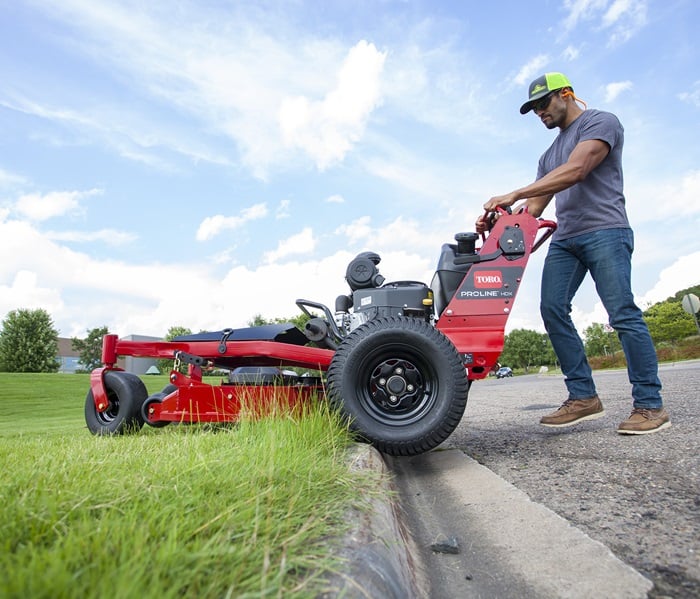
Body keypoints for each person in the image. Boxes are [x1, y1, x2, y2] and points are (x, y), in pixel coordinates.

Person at [477, 72, 670, 435]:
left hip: (605, 231)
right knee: (551, 308)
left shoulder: (600, 122)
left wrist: (513, 192)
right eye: (533, 108)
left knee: (622, 313)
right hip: (566, 239)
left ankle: (650, 405)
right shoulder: (548, 155)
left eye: (543, 103)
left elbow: (578, 169)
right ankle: (583, 396)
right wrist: (497, 222)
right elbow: (532, 209)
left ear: (566, 94)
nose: (538, 112)